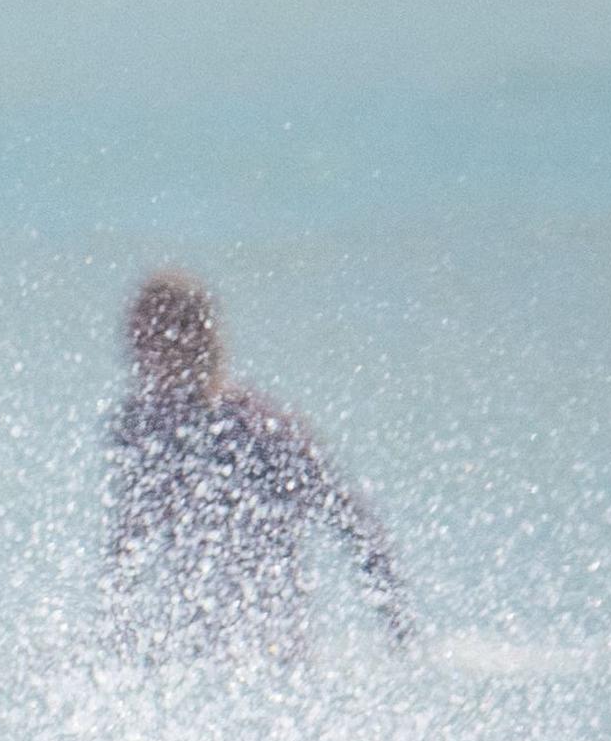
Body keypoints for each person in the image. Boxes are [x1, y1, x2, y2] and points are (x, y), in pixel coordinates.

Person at [104, 270, 413, 663]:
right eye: (136, 340)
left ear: (196, 341)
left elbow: (348, 518)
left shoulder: (256, 426)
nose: (137, 354)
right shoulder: (136, 426)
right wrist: (116, 632)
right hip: (190, 647)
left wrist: (398, 626)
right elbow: (127, 540)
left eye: (151, 338)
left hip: (273, 649)